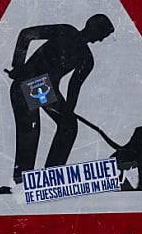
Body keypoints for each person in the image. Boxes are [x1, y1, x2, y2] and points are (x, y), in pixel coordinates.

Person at [6, 14, 115, 183]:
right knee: (31, 130)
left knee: (68, 126)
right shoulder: (67, 31)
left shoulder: (87, 59)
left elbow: (74, 89)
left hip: (43, 88)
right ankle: (22, 181)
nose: (100, 40)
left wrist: (68, 112)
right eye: (102, 34)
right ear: (92, 27)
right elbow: (27, 34)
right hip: (29, 84)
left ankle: (50, 178)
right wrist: (18, 65)